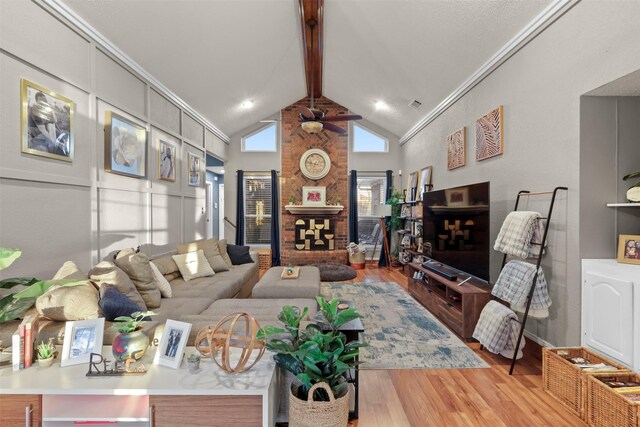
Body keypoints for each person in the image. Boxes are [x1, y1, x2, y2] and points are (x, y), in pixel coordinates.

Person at [28, 91, 68, 156]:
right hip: (34, 136)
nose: (45, 103)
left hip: (41, 134)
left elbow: (54, 123)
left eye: (45, 101)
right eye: (43, 101)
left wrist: (52, 113)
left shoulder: (45, 111)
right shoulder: (35, 110)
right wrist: (57, 143)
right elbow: (43, 130)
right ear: (38, 101)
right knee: (46, 149)